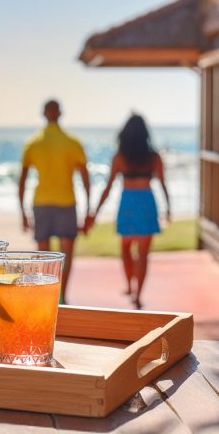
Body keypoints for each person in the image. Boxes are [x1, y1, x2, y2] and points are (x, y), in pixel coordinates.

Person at [86, 114, 171, 310]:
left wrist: (95, 212)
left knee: (125, 249)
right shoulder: (154, 157)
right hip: (147, 202)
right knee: (143, 254)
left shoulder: (120, 157)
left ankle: (130, 286)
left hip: (128, 203)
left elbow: (108, 187)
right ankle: (138, 294)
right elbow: (163, 184)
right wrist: (168, 207)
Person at [18, 99, 91, 302]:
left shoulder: (33, 143)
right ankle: (63, 297)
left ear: (44, 114)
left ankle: (48, 298)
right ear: (60, 113)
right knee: (66, 254)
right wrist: (89, 211)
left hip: (41, 203)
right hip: (66, 202)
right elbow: (86, 179)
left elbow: (22, 181)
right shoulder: (72, 142)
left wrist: (23, 213)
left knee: (44, 257)